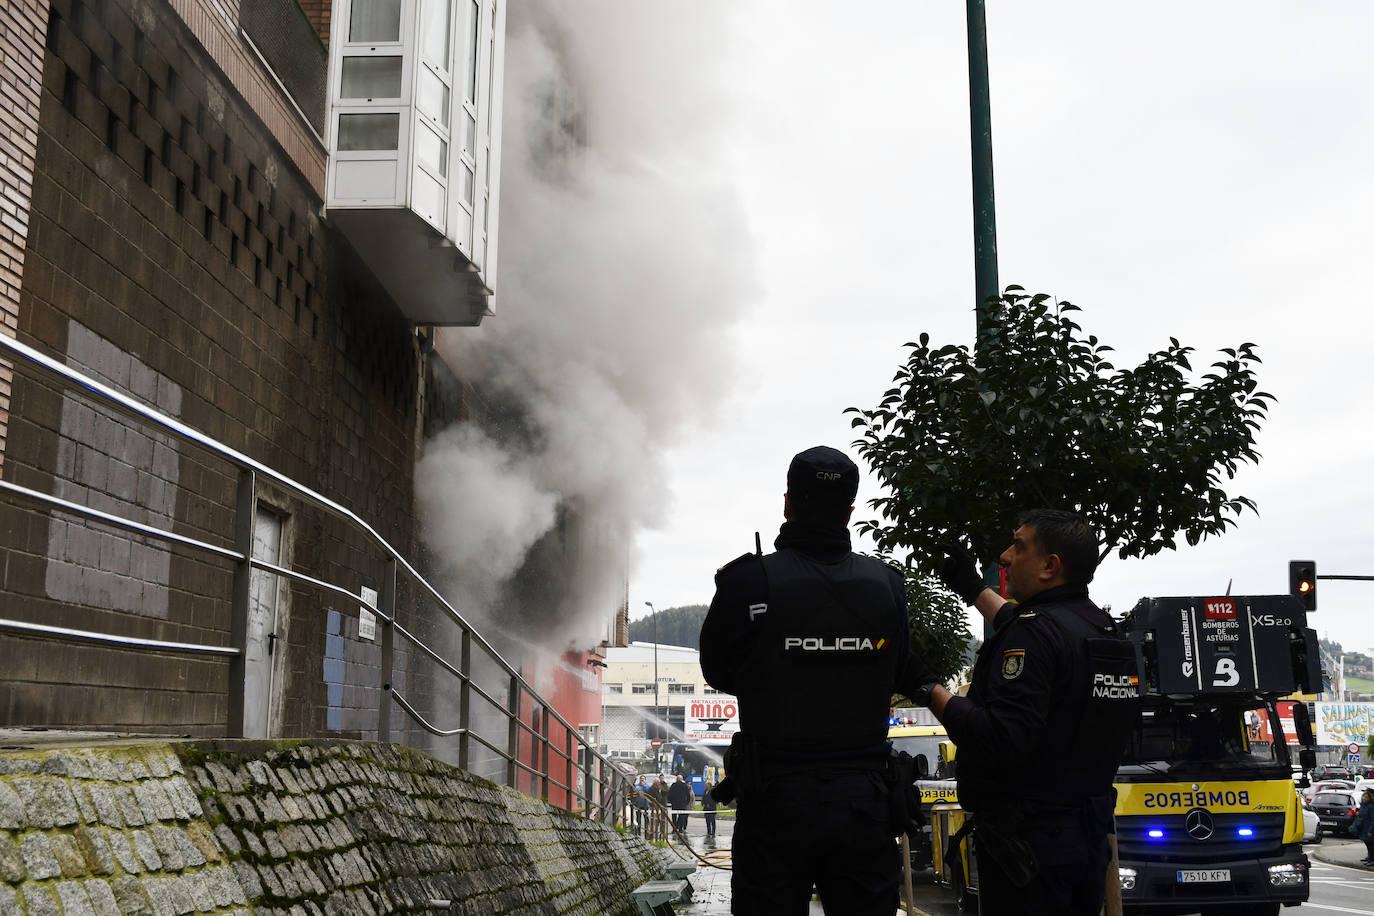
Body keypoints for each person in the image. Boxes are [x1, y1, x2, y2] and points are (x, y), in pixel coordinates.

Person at [699, 445, 939, 916]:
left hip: (774, 801)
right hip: (865, 804)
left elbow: (718, 670)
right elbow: (897, 668)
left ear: (788, 502)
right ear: (850, 509)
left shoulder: (746, 582)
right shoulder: (887, 585)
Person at [926, 509, 1139, 916]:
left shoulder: (1035, 633)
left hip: (1028, 852)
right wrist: (972, 587)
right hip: (1087, 841)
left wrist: (929, 689)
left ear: (1049, 566)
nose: (1005, 557)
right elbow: (1025, 624)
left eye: (1018, 546)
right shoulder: (1101, 631)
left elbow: (1000, 737)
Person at [1353, 787, 1374, 865]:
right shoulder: (1364, 806)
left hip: (1368, 828)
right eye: (1363, 797)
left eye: (1366, 797)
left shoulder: (1371, 807)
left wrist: (1370, 831)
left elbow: (1372, 819)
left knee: (1371, 844)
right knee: (1368, 844)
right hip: (1364, 827)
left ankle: (1372, 860)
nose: (1364, 798)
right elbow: (1362, 815)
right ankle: (1370, 859)